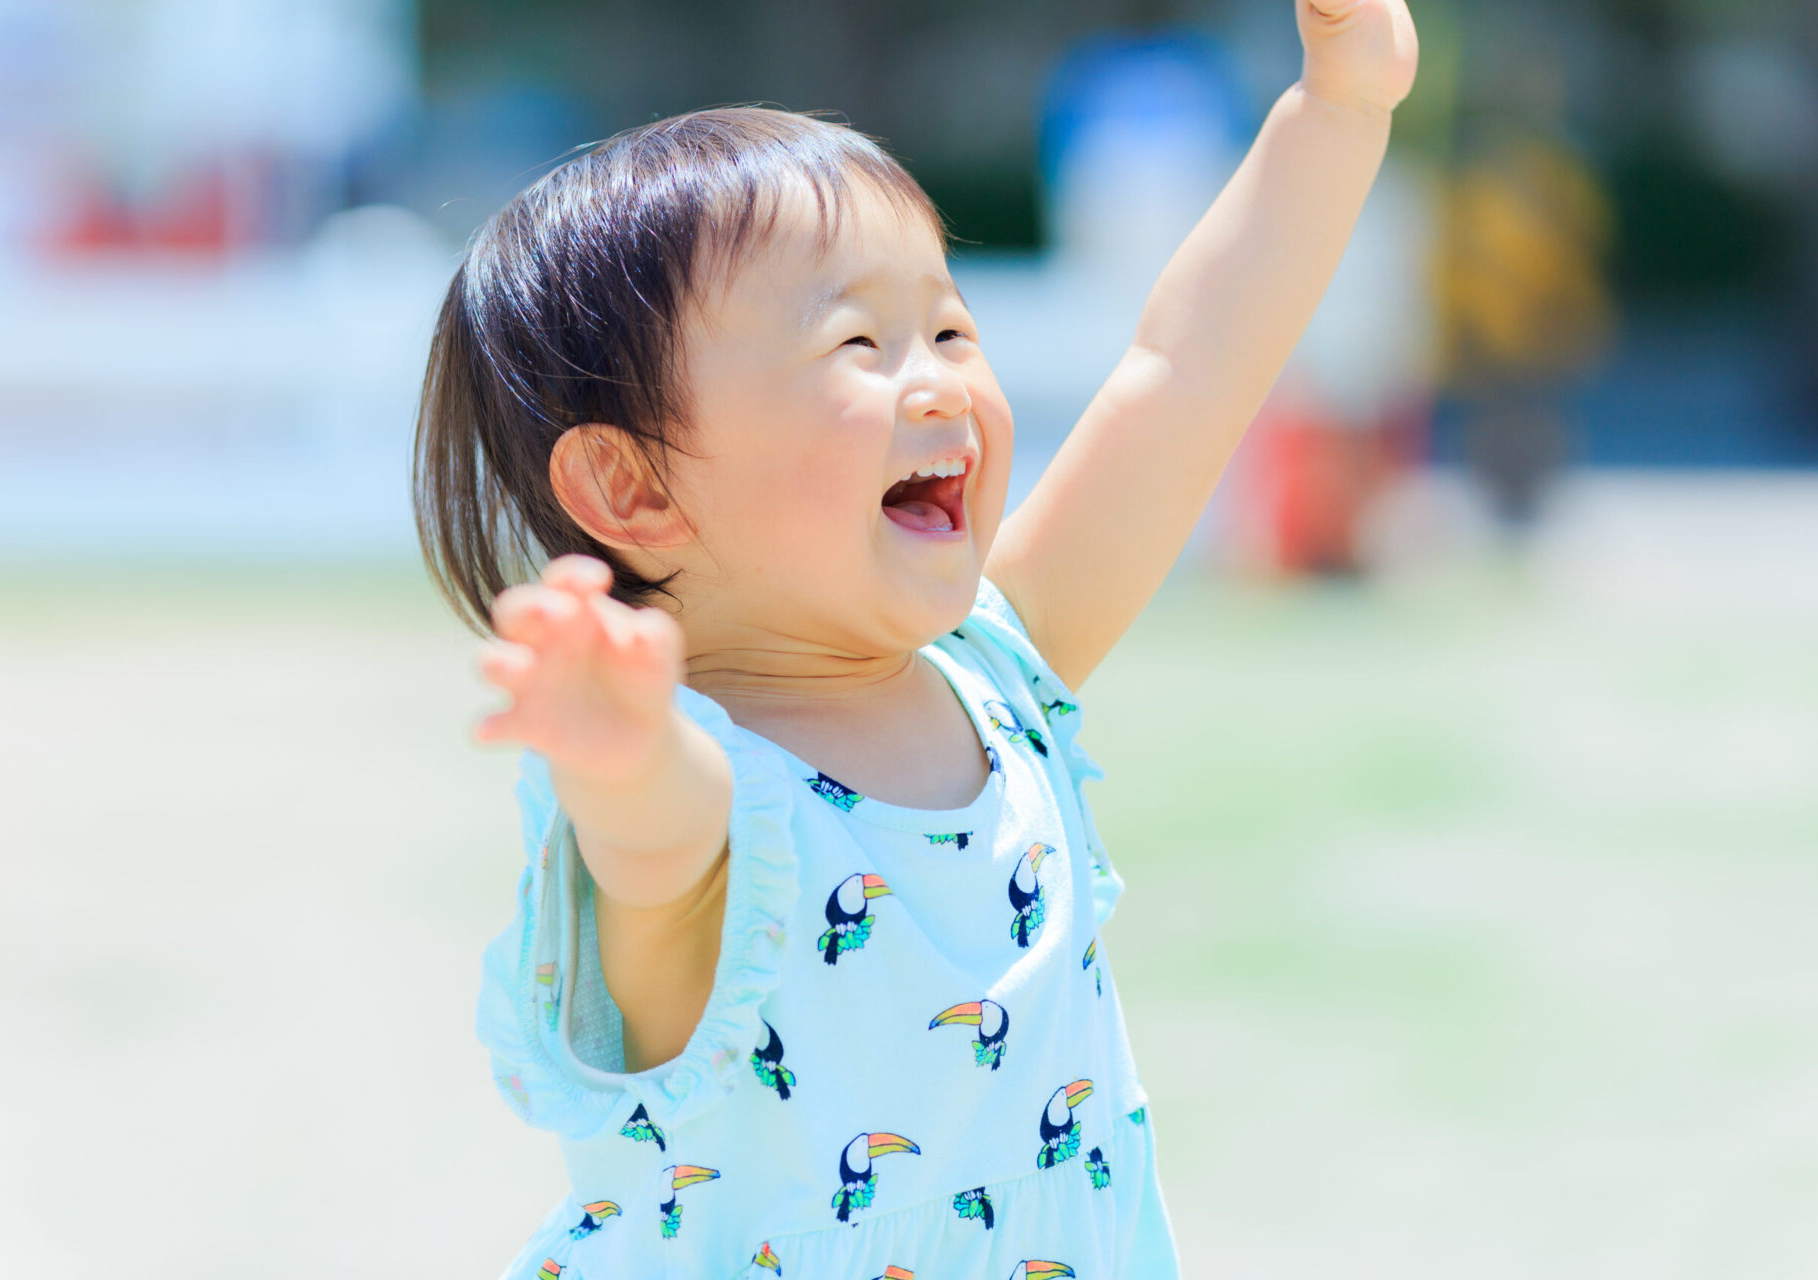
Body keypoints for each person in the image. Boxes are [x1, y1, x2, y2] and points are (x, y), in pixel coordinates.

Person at [412, 3, 1414, 1275]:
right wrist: (620, 753)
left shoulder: (1000, 665)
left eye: (949, 328)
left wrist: (1339, 109)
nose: (939, 381)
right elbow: (665, 851)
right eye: (858, 344)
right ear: (636, 492)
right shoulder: (712, 801)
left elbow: (1186, 365)